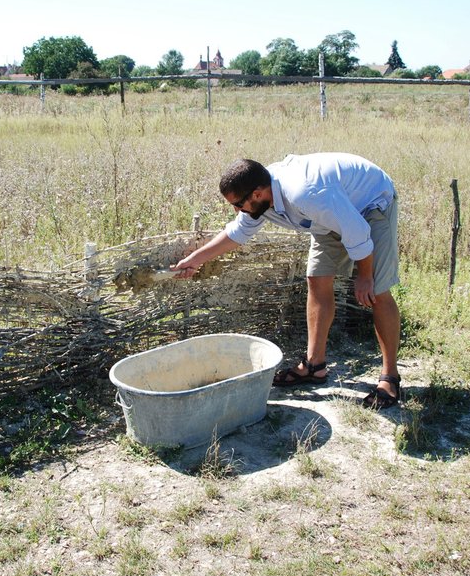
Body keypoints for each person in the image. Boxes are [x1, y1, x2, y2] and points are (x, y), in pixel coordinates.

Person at [172, 152, 402, 409]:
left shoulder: (305, 194)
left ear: (257, 193)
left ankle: (390, 378)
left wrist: (365, 276)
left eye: (238, 204)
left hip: (370, 203)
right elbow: (237, 233)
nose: (237, 211)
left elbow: (356, 231)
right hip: (331, 215)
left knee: (378, 292)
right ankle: (315, 366)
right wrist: (195, 259)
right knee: (316, 280)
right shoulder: (263, 199)